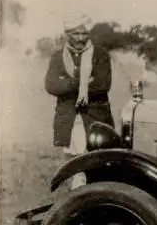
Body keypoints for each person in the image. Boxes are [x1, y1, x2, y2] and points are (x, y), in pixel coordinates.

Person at [44, 12, 114, 189]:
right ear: (67, 34)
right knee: (75, 169)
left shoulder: (100, 55)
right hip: (69, 119)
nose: (81, 38)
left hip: (95, 119)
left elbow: (102, 85)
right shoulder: (58, 57)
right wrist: (80, 82)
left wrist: (66, 83)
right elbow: (51, 86)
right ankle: (79, 204)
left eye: (85, 34)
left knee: (93, 167)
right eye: (76, 34)